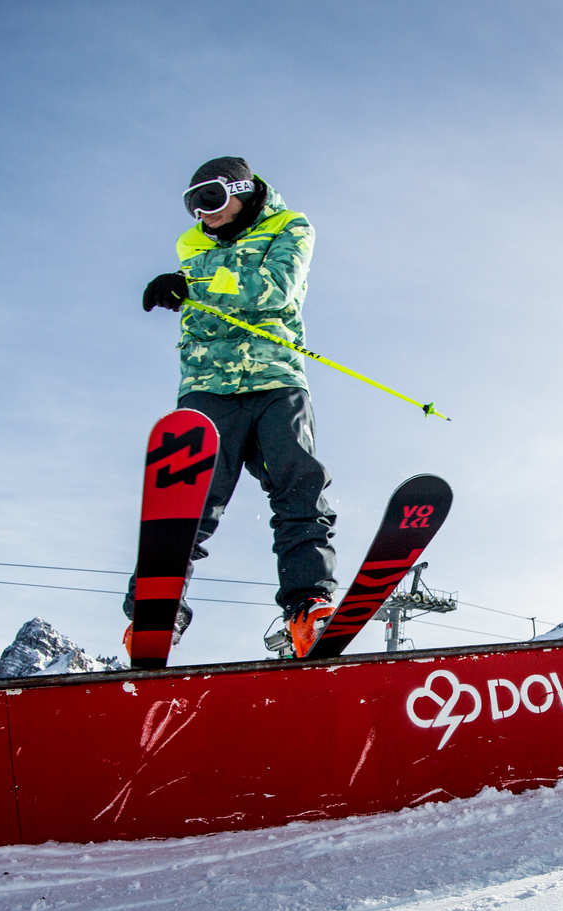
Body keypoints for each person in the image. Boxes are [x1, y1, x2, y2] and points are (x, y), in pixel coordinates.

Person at [129, 155, 337, 658]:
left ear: (241, 190)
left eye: (211, 199)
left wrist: (194, 285)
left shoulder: (290, 226)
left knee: (298, 488)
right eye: (192, 205)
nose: (202, 214)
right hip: (207, 384)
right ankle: (156, 611)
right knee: (189, 498)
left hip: (276, 380)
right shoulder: (192, 243)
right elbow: (203, 315)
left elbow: (275, 290)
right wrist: (191, 289)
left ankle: (308, 605)